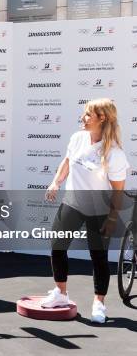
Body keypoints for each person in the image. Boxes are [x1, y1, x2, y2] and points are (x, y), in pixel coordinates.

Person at [43, 98, 129, 323]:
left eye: (88, 115)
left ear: (102, 118)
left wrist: (112, 218)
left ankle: (99, 304)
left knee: (98, 256)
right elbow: (67, 161)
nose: (83, 118)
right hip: (72, 203)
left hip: (99, 211)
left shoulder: (115, 153)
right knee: (57, 246)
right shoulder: (78, 138)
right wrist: (55, 182)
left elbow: (118, 191)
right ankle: (61, 293)